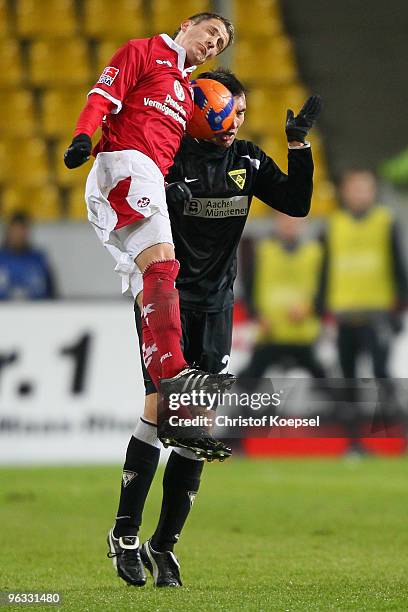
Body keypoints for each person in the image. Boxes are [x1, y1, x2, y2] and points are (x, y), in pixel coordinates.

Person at [108, 68, 322, 588]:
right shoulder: (166, 157)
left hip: (218, 307)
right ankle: (126, 533)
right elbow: (128, 209)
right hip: (166, 302)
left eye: (242, 113)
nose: (234, 122)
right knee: (162, 411)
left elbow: (297, 203)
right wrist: (161, 198)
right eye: (228, 111)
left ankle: (166, 546)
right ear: (199, 110)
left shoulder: (245, 158)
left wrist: (298, 146)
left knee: (195, 428)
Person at [63, 13, 236, 426]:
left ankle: (169, 391)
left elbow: (150, 129)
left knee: (152, 291)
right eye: (211, 33)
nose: (212, 45)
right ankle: (177, 375)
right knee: (162, 267)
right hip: (128, 167)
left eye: (220, 45)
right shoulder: (143, 51)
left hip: (144, 177)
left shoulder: (188, 90)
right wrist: (83, 137)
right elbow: (103, 99)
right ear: (186, 24)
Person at [317, 168, 408, 451]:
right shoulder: (333, 225)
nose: (359, 194)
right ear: (344, 192)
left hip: (377, 313)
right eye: (354, 188)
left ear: (373, 192)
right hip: (344, 315)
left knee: (382, 374)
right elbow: (326, 269)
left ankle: (402, 433)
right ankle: (354, 443)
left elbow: (398, 267)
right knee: (348, 381)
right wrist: (320, 307)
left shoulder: (385, 222)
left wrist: (400, 310)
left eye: (364, 188)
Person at [239, 213, 326, 381]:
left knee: (323, 380)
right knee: (250, 379)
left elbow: (324, 289)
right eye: (285, 221)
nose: (289, 226)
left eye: (294, 221)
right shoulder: (263, 251)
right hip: (269, 332)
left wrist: (310, 308)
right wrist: (256, 316)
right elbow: (249, 287)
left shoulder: (315, 253)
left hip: (303, 333)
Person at [0, 212, 56, 300]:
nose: (18, 235)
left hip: (38, 311)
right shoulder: (2, 259)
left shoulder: (39, 259)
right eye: (15, 230)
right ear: (8, 232)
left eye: (22, 230)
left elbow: (52, 292)